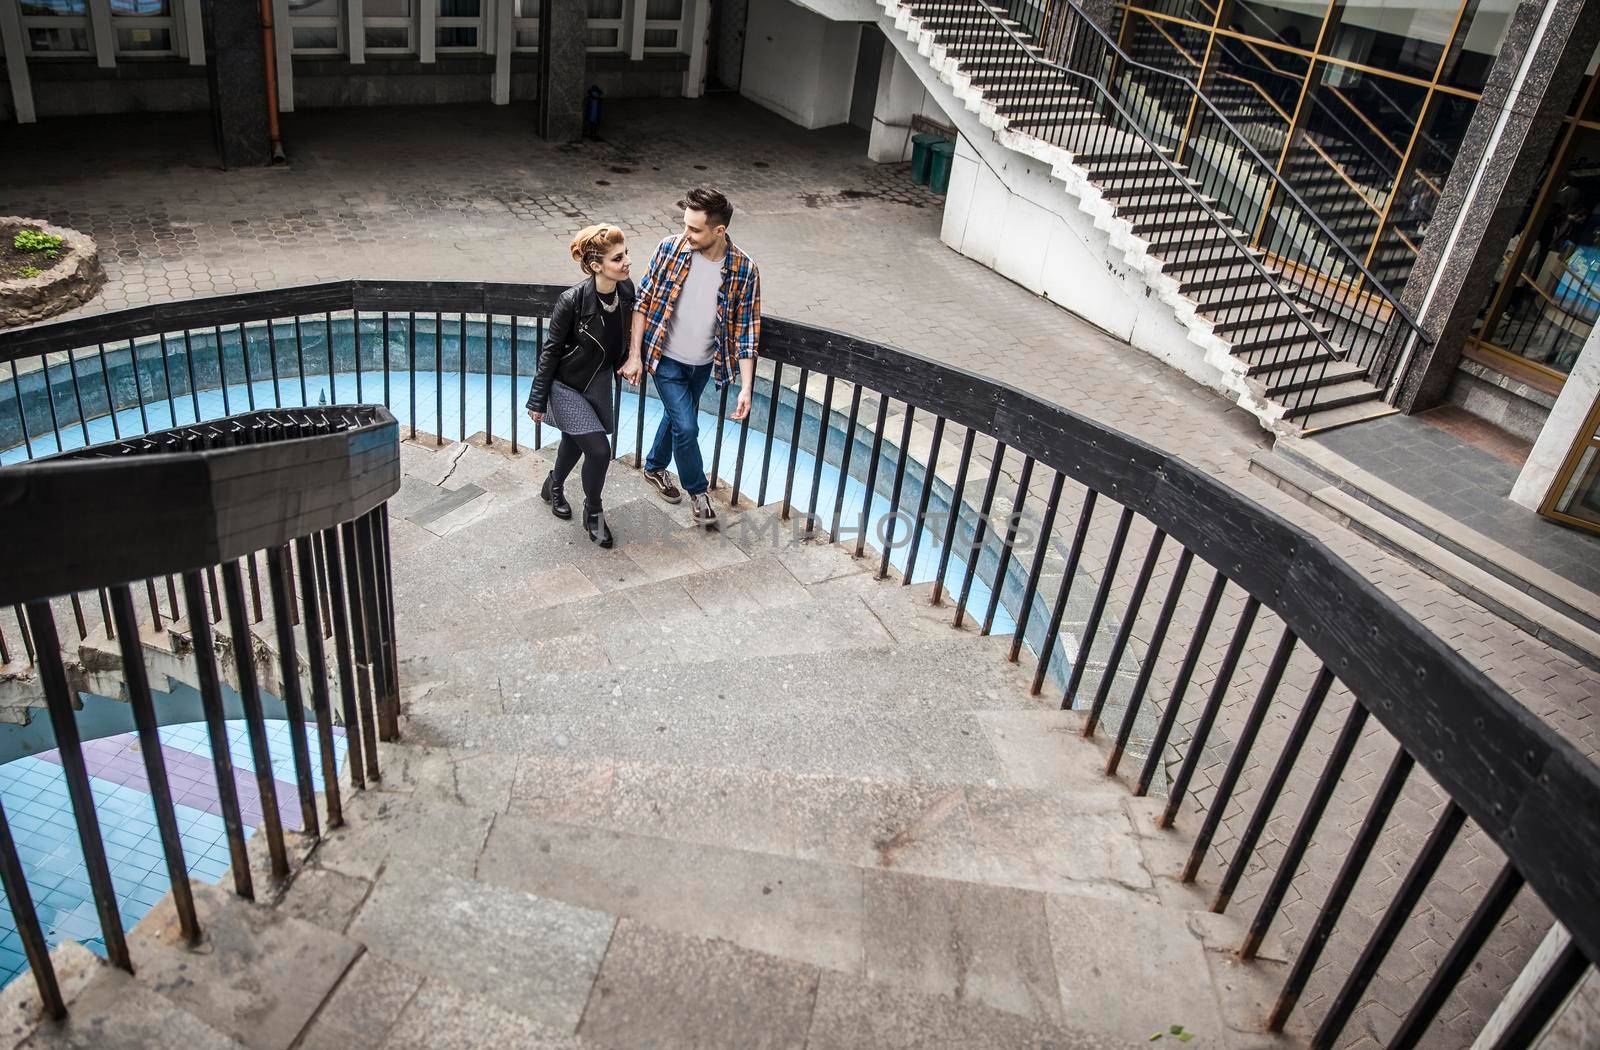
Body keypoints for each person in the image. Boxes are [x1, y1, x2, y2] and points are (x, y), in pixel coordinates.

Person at [621, 187, 761, 528]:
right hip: (664, 358)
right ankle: (698, 492)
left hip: (703, 365)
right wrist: (634, 355)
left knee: (676, 418)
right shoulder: (670, 249)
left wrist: (746, 388)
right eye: (685, 225)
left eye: (695, 229)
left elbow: (747, 332)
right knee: (686, 424)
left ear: (719, 231)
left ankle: (655, 466)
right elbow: (642, 304)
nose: (687, 234)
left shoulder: (744, 270)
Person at [526, 224, 635, 548]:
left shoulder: (625, 292)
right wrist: (538, 399)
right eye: (618, 258)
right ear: (596, 266)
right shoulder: (572, 301)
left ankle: (554, 485)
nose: (627, 261)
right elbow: (551, 351)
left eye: (626, 253)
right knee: (599, 450)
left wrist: (632, 359)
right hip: (567, 386)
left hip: (598, 384)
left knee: (575, 442)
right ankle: (594, 513)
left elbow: (629, 333)